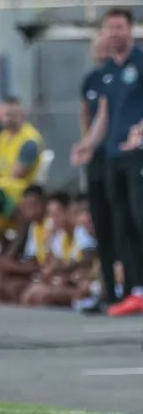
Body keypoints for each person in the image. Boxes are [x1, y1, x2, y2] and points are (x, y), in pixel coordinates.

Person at [72, 7, 143, 317]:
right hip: (113, 155)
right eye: (110, 28)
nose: (115, 33)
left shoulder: (140, 63)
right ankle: (132, 290)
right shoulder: (106, 74)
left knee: (140, 219)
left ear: (131, 30)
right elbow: (103, 115)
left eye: (120, 27)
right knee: (121, 222)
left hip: (136, 155)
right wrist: (87, 144)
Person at [78, 35, 117, 313]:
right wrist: (86, 145)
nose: (101, 55)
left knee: (124, 224)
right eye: (98, 51)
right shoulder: (91, 81)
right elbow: (86, 118)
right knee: (101, 227)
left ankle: (127, 287)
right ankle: (107, 288)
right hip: (98, 160)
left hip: (119, 157)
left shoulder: (123, 77)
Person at [0, 95, 44, 183]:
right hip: (1, 185)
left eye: (11, 115)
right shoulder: (3, 136)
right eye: (4, 115)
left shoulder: (29, 141)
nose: (7, 119)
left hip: (19, 190)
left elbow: (14, 178)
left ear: (22, 114)